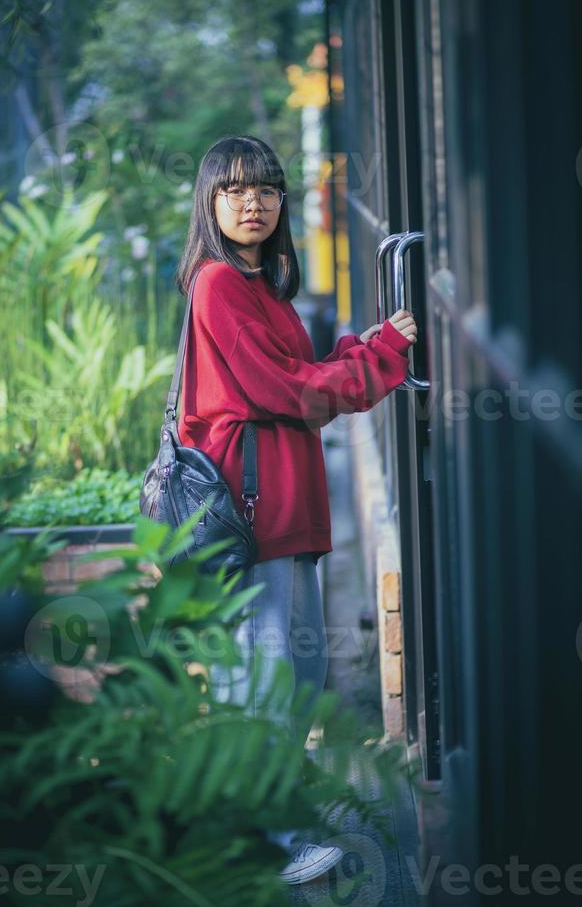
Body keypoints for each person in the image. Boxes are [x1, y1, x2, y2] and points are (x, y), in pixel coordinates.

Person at [175, 134, 417, 885]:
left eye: (266, 189)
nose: (252, 202)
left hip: (288, 498)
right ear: (210, 203)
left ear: (282, 203)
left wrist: (359, 349)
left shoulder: (263, 284)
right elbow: (285, 394)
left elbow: (300, 378)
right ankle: (267, 842)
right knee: (270, 672)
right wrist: (377, 357)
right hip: (255, 506)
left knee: (299, 668)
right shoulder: (216, 283)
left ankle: (275, 814)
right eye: (234, 189)